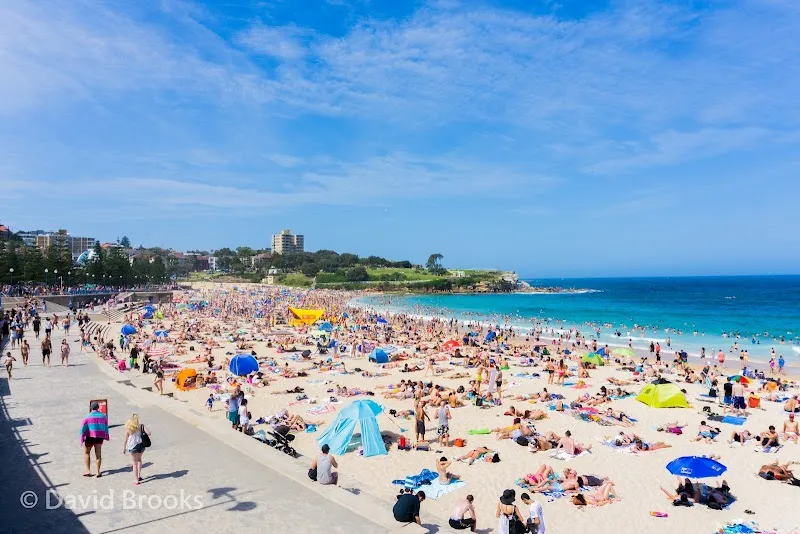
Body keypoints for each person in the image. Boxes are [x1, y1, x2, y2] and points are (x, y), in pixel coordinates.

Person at [79, 401, 109, 477]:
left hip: (90, 438)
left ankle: (88, 471)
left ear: (90, 408)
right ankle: (98, 472)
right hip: (99, 438)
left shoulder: (87, 417)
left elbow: (83, 428)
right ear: (98, 407)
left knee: (87, 453)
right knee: (98, 455)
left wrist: (82, 437)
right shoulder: (103, 416)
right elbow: (105, 427)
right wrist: (105, 435)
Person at [122, 414, 151, 485]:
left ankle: (136, 480)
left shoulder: (129, 428)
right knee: (139, 460)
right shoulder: (141, 426)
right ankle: (138, 476)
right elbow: (149, 433)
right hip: (141, 445)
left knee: (134, 463)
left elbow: (125, 439)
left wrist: (124, 448)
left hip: (132, 447)